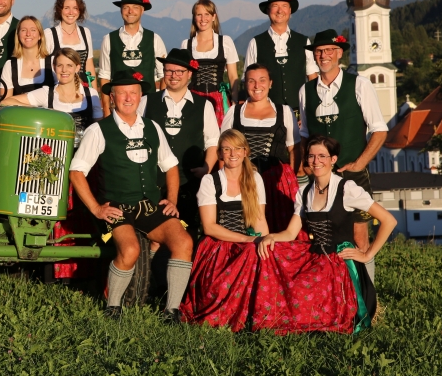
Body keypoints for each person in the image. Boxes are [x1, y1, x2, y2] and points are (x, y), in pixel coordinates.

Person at [69, 70, 193, 323]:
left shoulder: (152, 127)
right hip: (117, 206)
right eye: (122, 93)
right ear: (112, 97)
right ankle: (113, 307)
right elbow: (76, 172)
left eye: (133, 93)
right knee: (130, 249)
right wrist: (96, 208)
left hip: (149, 205)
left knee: (184, 242)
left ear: (140, 96)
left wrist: (172, 199)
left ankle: (171, 311)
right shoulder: (98, 130)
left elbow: (170, 166)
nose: (128, 98)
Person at [255, 136, 396, 334]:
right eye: (311, 156)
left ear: (333, 159)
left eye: (322, 156)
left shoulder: (347, 189)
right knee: (288, 279)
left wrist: (367, 254)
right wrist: (271, 237)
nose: (316, 161)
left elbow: (389, 220)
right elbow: (290, 233)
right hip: (316, 257)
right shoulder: (304, 192)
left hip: (341, 262)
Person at [2, 47, 103, 282]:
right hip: (53, 164)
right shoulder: (46, 94)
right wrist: (40, 112)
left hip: (85, 163)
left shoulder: (91, 95)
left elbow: (99, 128)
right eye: (59, 65)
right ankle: (49, 270)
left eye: (69, 65)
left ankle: (83, 271)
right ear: (54, 68)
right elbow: (7, 100)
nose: (64, 70)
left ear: (78, 67)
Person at [299, 29, 388, 282]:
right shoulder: (305, 91)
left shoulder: (359, 84)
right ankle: (334, 291)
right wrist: (307, 164)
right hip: (321, 177)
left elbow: (379, 130)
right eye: (319, 51)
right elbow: (304, 133)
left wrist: (359, 164)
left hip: (353, 174)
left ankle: (367, 294)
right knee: (324, 237)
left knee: (359, 238)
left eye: (329, 50)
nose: (323, 55)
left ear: (339, 53)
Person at [179, 129, 267, 330]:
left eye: (237, 148)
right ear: (219, 154)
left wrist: (263, 243)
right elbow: (210, 227)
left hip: (248, 243)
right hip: (218, 245)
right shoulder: (210, 181)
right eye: (227, 149)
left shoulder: (255, 179)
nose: (232, 154)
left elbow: (259, 221)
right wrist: (247, 240)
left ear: (245, 152)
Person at [144, 48, 220, 233]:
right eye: (169, 71)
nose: (173, 76)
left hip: (189, 183)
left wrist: (206, 168)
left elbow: (212, 141)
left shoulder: (204, 105)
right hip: (153, 181)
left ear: (189, 74)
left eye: (179, 71)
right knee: (152, 231)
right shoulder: (146, 101)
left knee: (188, 232)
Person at [222, 63, 301, 233]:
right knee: (246, 229)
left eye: (262, 80)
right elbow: (224, 150)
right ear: (245, 84)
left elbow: (294, 149)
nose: (257, 86)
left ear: (270, 83)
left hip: (277, 181)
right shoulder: (234, 112)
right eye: (251, 81)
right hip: (244, 179)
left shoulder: (285, 111)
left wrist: (291, 180)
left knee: (280, 229)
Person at [244, 0, 318, 115]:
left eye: (284, 6)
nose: (280, 11)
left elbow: (312, 78)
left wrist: (312, 110)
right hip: (267, 113)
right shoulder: (255, 43)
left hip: (299, 112)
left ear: (290, 11)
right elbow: (248, 81)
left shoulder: (303, 41)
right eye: (275, 6)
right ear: (268, 11)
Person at [98, 0, 167, 116]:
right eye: (126, 7)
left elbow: (164, 76)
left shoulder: (155, 39)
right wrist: (107, 111)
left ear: (142, 10)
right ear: (121, 11)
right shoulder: (108, 39)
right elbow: (105, 76)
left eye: (135, 7)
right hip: (119, 107)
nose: (130, 11)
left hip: (149, 106)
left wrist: (159, 106)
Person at [180, 0, 239, 122]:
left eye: (207, 14)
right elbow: (183, 76)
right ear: (194, 17)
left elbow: (233, 76)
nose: (203, 19)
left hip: (218, 99)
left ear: (213, 17)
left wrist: (234, 100)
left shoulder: (225, 42)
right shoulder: (186, 44)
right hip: (194, 97)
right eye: (199, 15)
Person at [44, 0, 97, 84]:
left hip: (82, 89)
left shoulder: (85, 32)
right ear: (60, 10)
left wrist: (94, 92)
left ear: (80, 10)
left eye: (75, 8)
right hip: (57, 88)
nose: (71, 12)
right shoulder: (49, 34)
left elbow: (89, 66)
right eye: (66, 8)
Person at [0, 16, 53, 98]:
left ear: (40, 35)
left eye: (33, 30)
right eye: (23, 30)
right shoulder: (9, 66)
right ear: (18, 35)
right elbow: (4, 101)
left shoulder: (53, 62)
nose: (28, 34)